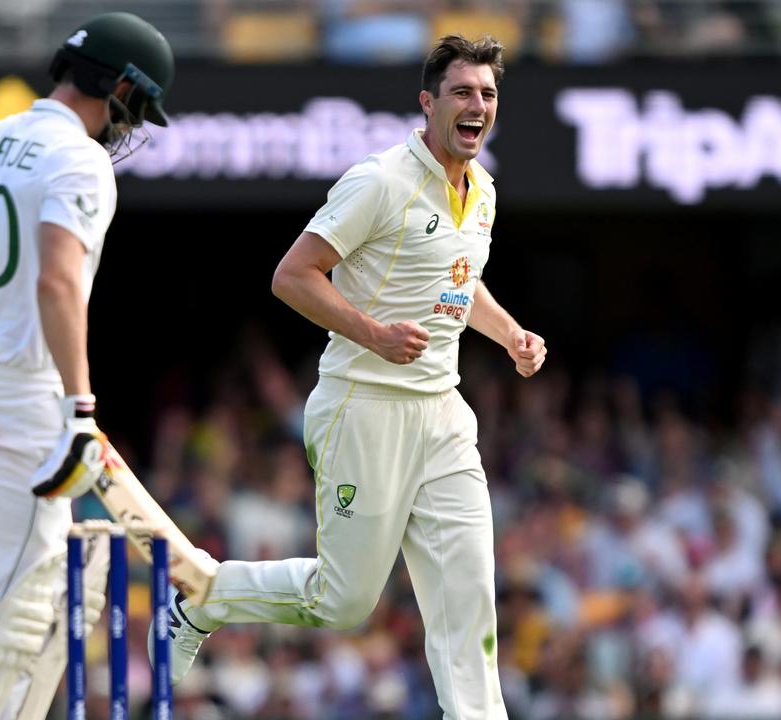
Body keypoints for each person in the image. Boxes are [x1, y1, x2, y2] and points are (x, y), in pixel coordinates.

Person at [154, 33, 547, 720]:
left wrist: (510, 333)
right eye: (461, 91)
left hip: (442, 412)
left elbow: (459, 281)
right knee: (345, 601)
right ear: (428, 103)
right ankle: (204, 595)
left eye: (487, 93)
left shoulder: (480, 190)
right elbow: (292, 276)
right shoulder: (381, 180)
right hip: (362, 405)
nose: (477, 104)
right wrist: (373, 331)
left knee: (467, 596)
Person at [0, 12, 174, 718]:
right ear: (116, 89)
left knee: (23, 608)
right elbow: (55, 281)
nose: (131, 124)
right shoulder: (78, 160)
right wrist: (81, 410)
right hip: (17, 405)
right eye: (137, 106)